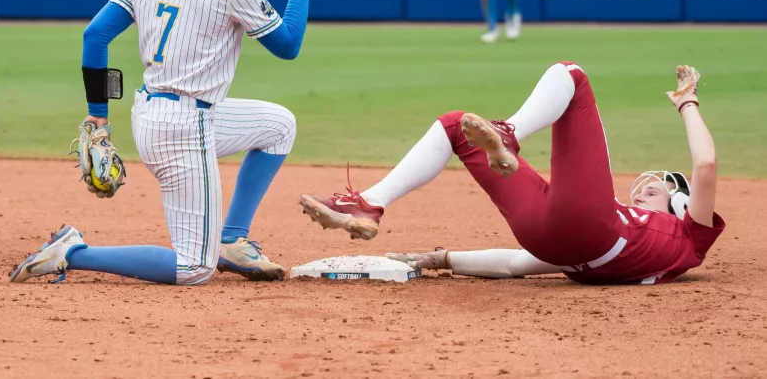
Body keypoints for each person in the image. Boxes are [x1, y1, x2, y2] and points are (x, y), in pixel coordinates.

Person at [10, 0, 312, 286]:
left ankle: (232, 241)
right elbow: (289, 45)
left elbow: (94, 37)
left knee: (278, 126)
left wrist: (98, 115)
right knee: (193, 269)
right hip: (184, 131)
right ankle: (73, 252)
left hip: (155, 115)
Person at [300, 62, 724, 285]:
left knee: (572, 75)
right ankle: (370, 204)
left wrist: (688, 102)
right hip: (550, 240)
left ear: (682, 207)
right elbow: (518, 263)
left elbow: (704, 165)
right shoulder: (631, 233)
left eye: (658, 189)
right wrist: (445, 260)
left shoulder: (690, 238)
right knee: (454, 126)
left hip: (589, 231)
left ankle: (510, 132)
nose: (645, 188)